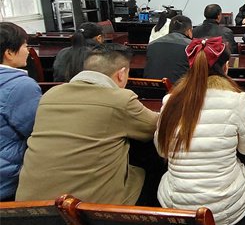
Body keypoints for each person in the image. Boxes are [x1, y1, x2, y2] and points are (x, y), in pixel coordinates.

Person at [16, 44, 158, 205]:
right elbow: (157, 127)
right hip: (85, 208)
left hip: (29, 205)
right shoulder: (120, 100)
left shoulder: (50, 95)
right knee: (150, 169)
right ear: (121, 74)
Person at [155, 37, 245, 225]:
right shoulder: (237, 100)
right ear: (226, 67)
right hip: (223, 211)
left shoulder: (170, 100)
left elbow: (162, 150)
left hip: (176, 208)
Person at [0, 22, 41, 201]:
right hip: (8, 180)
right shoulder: (20, 86)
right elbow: (37, 131)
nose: (28, 51)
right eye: (25, 46)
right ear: (9, 52)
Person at [144, 15, 193, 84]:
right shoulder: (191, 46)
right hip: (179, 88)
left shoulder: (152, 45)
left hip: (152, 87)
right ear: (189, 31)